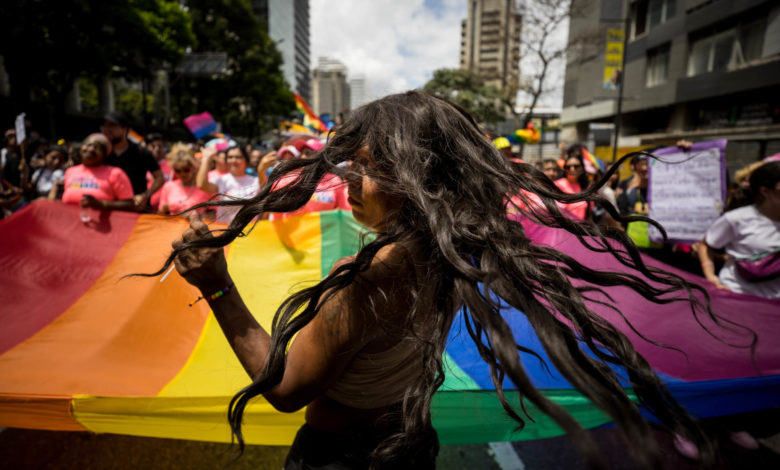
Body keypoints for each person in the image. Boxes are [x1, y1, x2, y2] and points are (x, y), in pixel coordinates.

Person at [164, 91, 719, 469]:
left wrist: (217, 286)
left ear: (416, 177)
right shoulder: (452, 250)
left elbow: (284, 389)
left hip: (343, 456)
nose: (351, 179)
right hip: (410, 445)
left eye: (370, 165)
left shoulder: (365, 279)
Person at [698, 161, 780, 299]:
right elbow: (705, 245)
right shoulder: (736, 219)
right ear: (765, 191)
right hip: (738, 299)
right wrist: (711, 276)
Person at [100, 111, 164, 212]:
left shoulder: (141, 152)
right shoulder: (100, 153)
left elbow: (160, 178)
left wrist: (146, 195)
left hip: (137, 211)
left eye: (112, 126)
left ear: (125, 129)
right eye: (104, 126)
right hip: (108, 210)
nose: (107, 130)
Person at [61, 133, 134, 212]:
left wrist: (101, 204)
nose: (91, 149)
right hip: (70, 222)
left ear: (104, 154)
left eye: (97, 147)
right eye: (88, 145)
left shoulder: (115, 173)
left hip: (103, 223)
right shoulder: (70, 171)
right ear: (81, 147)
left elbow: (129, 204)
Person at [196, 144, 259, 223]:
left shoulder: (256, 181)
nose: (233, 160)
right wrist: (206, 158)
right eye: (230, 157)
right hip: (225, 230)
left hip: (250, 231)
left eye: (238, 157)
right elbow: (201, 185)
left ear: (246, 160)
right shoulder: (222, 180)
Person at [158, 144, 215, 218]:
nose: (182, 174)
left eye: (186, 170)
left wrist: (196, 217)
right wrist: (165, 208)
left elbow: (214, 214)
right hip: (172, 228)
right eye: (178, 170)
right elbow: (159, 215)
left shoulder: (205, 187)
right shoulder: (168, 186)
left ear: (193, 167)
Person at [554, 147, 591, 220]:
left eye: (576, 166)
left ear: (582, 168)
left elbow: (589, 215)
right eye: (568, 167)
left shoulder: (587, 187)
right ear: (565, 169)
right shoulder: (557, 185)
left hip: (582, 229)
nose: (572, 169)